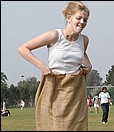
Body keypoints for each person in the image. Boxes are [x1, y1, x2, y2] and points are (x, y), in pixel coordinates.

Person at [18, 1, 92, 131]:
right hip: (55, 88)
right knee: (53, 126)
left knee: (75, 126)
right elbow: (23, 49)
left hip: (76, 90)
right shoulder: (54, 35)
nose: (82, 22)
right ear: (68, 18)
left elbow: (82, 54)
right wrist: (42, 66)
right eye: (78, 18)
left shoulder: (84, 40)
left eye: (85, 20)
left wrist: (89, 65)